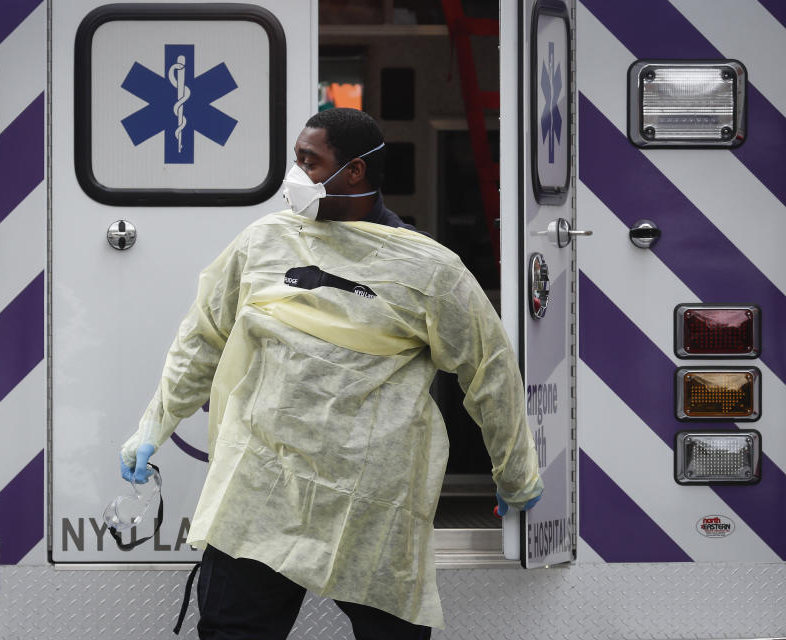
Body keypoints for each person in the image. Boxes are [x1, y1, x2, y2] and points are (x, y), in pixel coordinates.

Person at [120, 108, 543, 638]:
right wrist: (154, 424)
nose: (296, 174)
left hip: (369, 494)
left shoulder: (427, 268)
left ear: (356, 171)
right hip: (265, 481)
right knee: (233, 629)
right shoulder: (265, 242)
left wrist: (515, 472)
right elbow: (202, 336)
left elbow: (490, 370)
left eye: (309, 161)